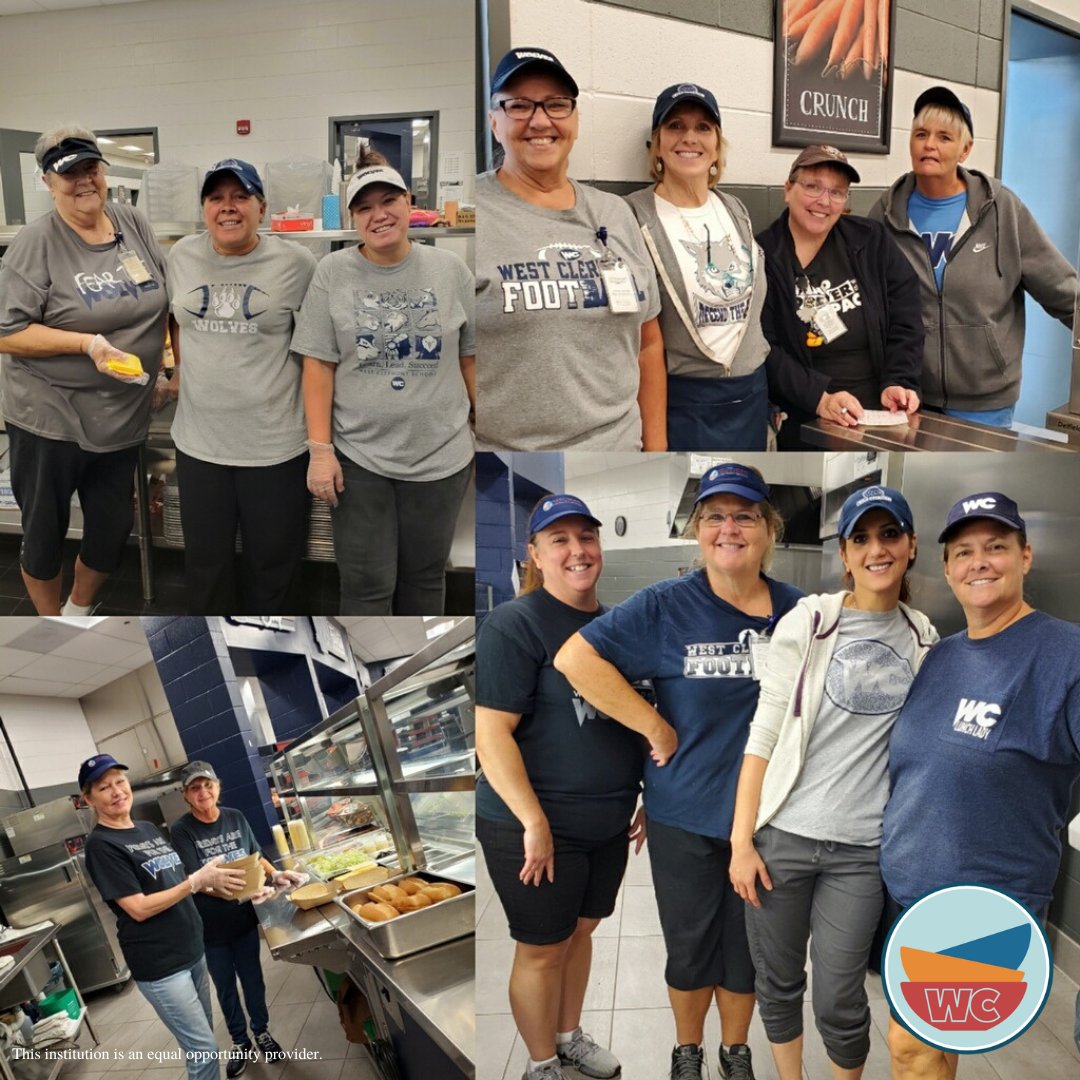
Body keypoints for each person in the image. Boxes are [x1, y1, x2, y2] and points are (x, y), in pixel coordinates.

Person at [556, 464, 804, 1080]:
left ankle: (735, 1049)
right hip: (684, 815)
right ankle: (687, 1049)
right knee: (691, 947)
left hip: (771, 818)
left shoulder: (801, 614)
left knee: (749, 953)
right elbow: (575, 659)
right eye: (714, 516)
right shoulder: (666, 606)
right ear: (697, 532)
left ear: (769, 529)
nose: (729, 528)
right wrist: (653, 726)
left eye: (744, 515)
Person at [728, 486, 937, 1080]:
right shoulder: (811, 621)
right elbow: (762, 737)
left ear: (911, 545)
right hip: (782, 840)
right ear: (843, 554)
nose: (877, 549)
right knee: (779, 980)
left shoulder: (924, 639)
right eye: (862, 538)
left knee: (841, 996)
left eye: (889, 534)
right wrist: (743, 842)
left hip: (862, 851)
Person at [880, 491, 1080, 1079]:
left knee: (913, 1048)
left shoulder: (1065, 654)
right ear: (946, 568)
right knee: (926, 1046)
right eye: (964, 552)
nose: (980, 562)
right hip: (913, 893)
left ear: (1026, 556)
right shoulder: (941, 655)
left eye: (996, 547)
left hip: (983, 905)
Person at [475, 494, 653, 1080]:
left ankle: (569, 1035)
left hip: (606, 821)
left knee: (581, 931)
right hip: (532, 825)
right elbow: (492, 735)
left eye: (587, 537)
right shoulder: (514, 624)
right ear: (535, 554)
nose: (578, 550)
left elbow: (635, 715)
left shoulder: (618, 624)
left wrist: (649, 793)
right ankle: (541, 1063)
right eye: (560, 540)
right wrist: (533, 821)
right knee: (543, 946)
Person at [291, 150, 474, 614]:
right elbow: (318, 365)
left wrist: (488, 430)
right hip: (360, 459)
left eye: (388, 200)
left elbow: (471, 356)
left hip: (441, 456)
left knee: (425, 577)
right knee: (366, 583)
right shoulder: (332, 273)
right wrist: (320, 451)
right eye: (364, 207)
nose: (379, 215)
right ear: (353, 217)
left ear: (409, 202)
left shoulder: (449, 270)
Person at [0, 125, 168, 615]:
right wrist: (86, 343)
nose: (83, 181)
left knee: (111, 530)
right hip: (51, 419)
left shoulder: (131, 222)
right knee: (45, 534)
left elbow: (161, 300)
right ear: (49, 183)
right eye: (68, 173)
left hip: (123, 417)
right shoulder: (37, 242)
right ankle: (50, 625)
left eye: (90, 168)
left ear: (104, 171)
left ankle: (79, 609)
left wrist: (163, 369)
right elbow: (6, 332)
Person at [476, 46, 665, 451]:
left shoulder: (615, 213)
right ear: (494, 121)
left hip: (620, 450)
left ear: (575, 121)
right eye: (520, 105)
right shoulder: (471, 214)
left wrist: (657, 451)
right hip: (508, 460)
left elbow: (648, 343)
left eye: (556, 105)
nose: (540, 120)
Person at [870, 86, 1076, 427]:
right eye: (921, 134)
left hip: (985, 402)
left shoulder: (1000, 209)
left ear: (965, 150)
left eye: (944, 137)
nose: (929, 145)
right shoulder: (887, 212)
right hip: (907, 397)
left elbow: (1062, 289)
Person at [165, 159, 317, 612]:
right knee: (206, 566)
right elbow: (176, 320)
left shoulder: (297, 263)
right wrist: (176, 372)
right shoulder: (181, 256)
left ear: (262, 207)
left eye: (240, 197)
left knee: (274, 567)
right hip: (199, 445)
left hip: (275, 446)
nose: (227, 208)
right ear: (204, 208)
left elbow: (316, 351)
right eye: (216, 198)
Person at [80, 753, 247, 1080]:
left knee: (203, 1038)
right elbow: (138, 907)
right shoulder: (102, 846)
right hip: (160, 964)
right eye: (104, 787)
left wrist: (236, 887)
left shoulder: (146, 829)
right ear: (89, 799)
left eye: (120, 782)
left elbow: (176, 882)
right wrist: (196, 881)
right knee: (203, 1050)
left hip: (191, 950)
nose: (116, 792)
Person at [623, 84, 770, 450]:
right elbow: (638, 337)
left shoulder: (734, 208)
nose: (689, 137)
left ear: (718, 144)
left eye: (703, 127)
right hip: (684, 403)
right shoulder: (633, 216)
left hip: (750, 396)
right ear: (656, 143)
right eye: (675, 126)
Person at [757, 144, 923, 450]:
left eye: (837, 192)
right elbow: (763, 346)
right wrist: (819, 399)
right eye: (812, 186)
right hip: (807, 414)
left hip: (879, 411)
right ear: (787, 189)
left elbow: (907, 314)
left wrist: (898, 380)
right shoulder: (762, 256)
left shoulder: (870, 240)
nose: (824, 201)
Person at [170, 761, 303, 1077]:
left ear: (218, 786)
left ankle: (262, 1032)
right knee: (226, 987)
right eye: (194, 788)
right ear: (186, 795)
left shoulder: (235, 817)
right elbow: (194, 878)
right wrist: (244, 891)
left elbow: (257, 855)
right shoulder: (182, 830)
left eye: (207, 785)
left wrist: (275, 874)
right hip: (210, 927)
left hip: (244, 921)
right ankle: (241, 1042)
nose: (203, 792)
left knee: (253, 979)